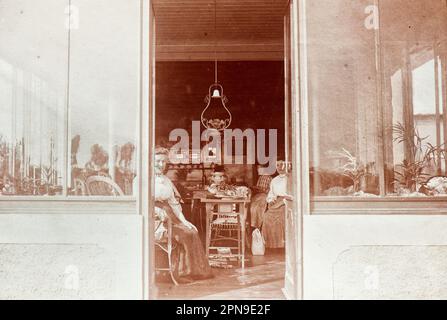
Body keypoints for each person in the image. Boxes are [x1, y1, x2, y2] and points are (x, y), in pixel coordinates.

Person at [154, 147, 213, 281]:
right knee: (185, 235)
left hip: (169, 216)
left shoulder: (166, 180)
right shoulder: (142, 179)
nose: (160, 164)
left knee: (191, 230)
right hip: (155, 221)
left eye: (163, 161)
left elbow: (174, 203)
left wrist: (184, 221)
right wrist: (157, 211)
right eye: (157, 161)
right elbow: (141, 203)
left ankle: (195, 272)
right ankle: (182, 273)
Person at [262, 160, 291, 249]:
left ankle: (283, 245)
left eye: (282, 165)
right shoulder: (274, 180)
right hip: (277, 202)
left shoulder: (291, 178)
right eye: (277, 165)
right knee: (266, 217)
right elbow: (271, 193)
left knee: (281, 218)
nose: (279, 167)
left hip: (287, 202)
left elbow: (293, 195)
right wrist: (271, 200)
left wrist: (284, 201)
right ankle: (272, 245)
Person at [250, 164, 273, 229]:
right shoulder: (261, 177)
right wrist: (254, 188)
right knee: (251, 205)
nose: (258, 170)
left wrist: (257, 189)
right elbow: (259, 188)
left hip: (264, 196)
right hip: (259, 195)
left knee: (257, 207)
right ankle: (252, 223)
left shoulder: (268, 177)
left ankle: (257, 224)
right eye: (257, 169)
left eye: (259, 169)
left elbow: (267, 191)